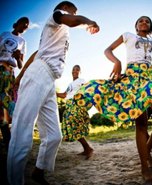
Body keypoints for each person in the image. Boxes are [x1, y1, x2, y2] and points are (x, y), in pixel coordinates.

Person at [66, 16, 152, 182]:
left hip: (150, 80)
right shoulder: (128, 35)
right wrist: (117, 62)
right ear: (136, 26)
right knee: (142, 124)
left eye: (147, 21)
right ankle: (144, 167)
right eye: (140, 21)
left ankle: (146, 152)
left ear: (150, 26)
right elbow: (107, 50)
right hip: (132, 80)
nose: (144, 22)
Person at [7, 1, 99, 185]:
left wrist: (19, 77)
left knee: (54, 136)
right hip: (39, 74)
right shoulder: (57, 16)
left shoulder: (59, 32)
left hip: (49, 80)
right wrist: (90, 22)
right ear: (66, 8)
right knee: (22, 131)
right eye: (74, 11)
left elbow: (36, 53)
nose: (75, 14)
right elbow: (73, 21)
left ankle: (38, 172)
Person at [0, 17, 29, 150]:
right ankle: (7, 139)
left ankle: (8, 140)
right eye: (23, 24)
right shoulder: (5, 34)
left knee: (7, 104)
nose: (25, 27)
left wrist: (17, 58)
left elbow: (21, 65)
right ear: (16, 24)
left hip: (9, 74)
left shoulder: (22, 42)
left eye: (27, 26)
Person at [57, 65, 93, 160]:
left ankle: (88, 149)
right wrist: (53, 92)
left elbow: (87, 90)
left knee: (75, 126)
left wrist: (84, 104)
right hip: (69, 105)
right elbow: (64, 95)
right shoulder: (70, 84)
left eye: (77, 70)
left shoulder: (81, 80)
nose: (75, 71)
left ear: (80, 72)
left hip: (75, 104)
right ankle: (87, 148)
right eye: (73, 69)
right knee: (72, 127)